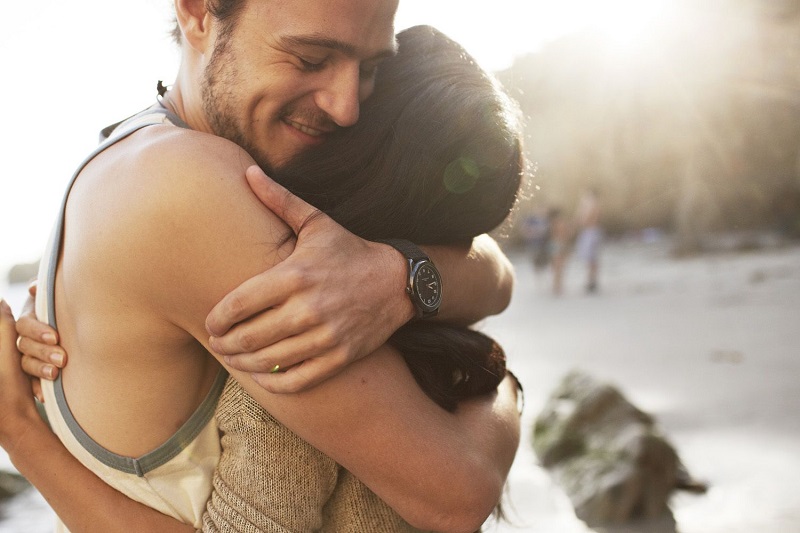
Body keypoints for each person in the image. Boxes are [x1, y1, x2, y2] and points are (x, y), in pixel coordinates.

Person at [8, 1, 520, 530]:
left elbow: (497, 274)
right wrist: (498, 377)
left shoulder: (125, 151)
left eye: (369, 69)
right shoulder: (190, 185)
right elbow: (458, 492)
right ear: (197, 14)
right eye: (311, 58)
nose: (347, 107)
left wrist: (397, 275)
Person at [574, 187, 603, 293]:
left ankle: (592, 281)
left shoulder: (594, 206)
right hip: (591, 232)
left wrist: (581, 211)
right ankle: (591, 280)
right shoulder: (593, 206)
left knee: (591, 258)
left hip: (591, 232)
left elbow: (585, 221)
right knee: (591, 258)